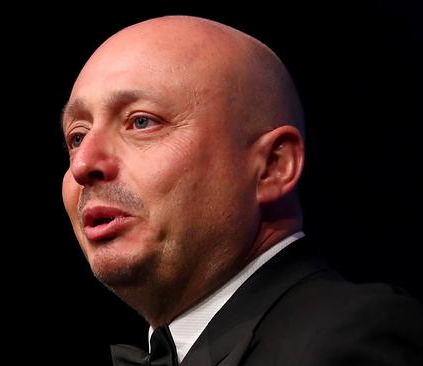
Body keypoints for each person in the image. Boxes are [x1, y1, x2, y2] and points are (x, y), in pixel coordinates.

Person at [60, 15, 423, 365]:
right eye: (77, 136)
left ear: (272, 167)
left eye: (142, 122)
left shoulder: (353, 336)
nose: (82, 164)